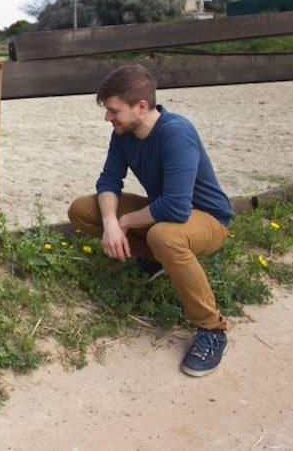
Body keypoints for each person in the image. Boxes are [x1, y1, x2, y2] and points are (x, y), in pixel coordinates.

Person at [67, 64, 234, 377]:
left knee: (165, 237)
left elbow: (176, 207)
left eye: (113, 110)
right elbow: (108, 181)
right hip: (166, 212)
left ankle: (212, 329)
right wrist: (111, 223)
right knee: (82, 211)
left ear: (141, 107)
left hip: (209, 220)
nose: (108, 118)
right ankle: (158, 262)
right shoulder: (124, 133)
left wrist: (125, 221)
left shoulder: (176, 132)